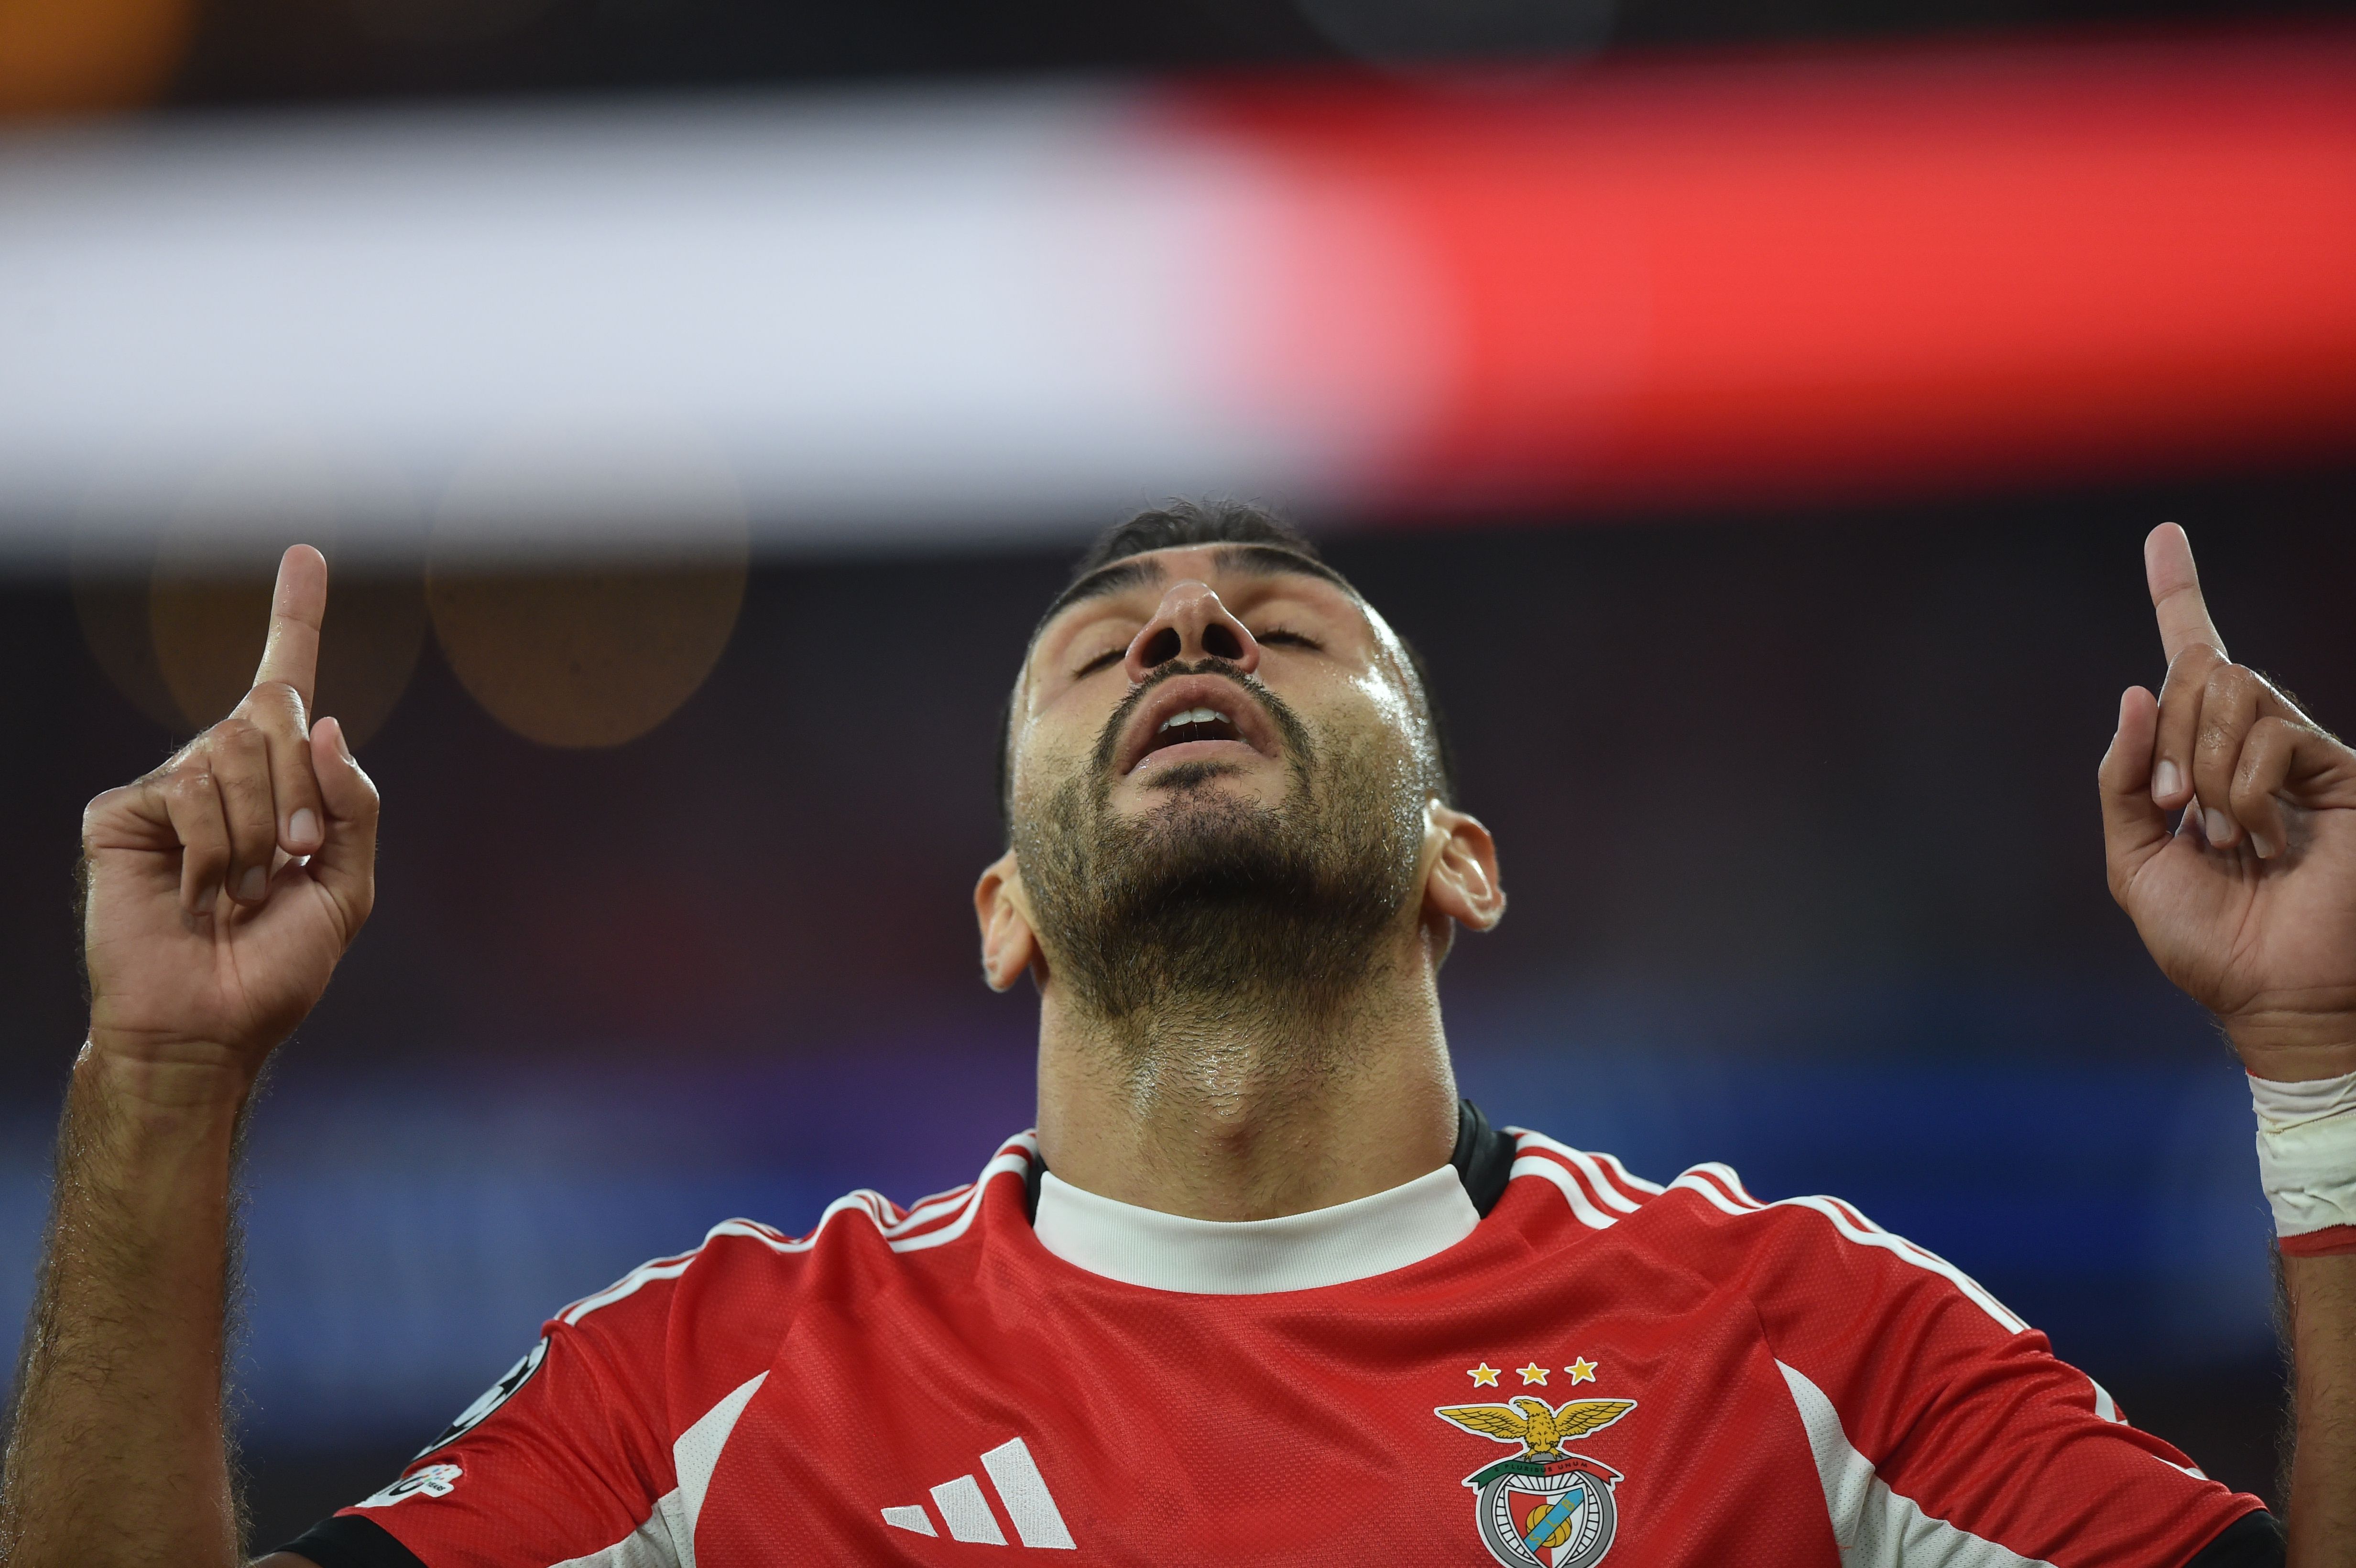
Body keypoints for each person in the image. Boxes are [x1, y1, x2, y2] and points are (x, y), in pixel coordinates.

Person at [2, 502, 2350, 1568]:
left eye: (1280, 625)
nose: (1187, 634)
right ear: (1003, 910)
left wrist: (2319, 1062)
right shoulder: (704, 1391)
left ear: (1460, 862)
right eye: (1101, 639)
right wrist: (164, 1086)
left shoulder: (1809, 1338)